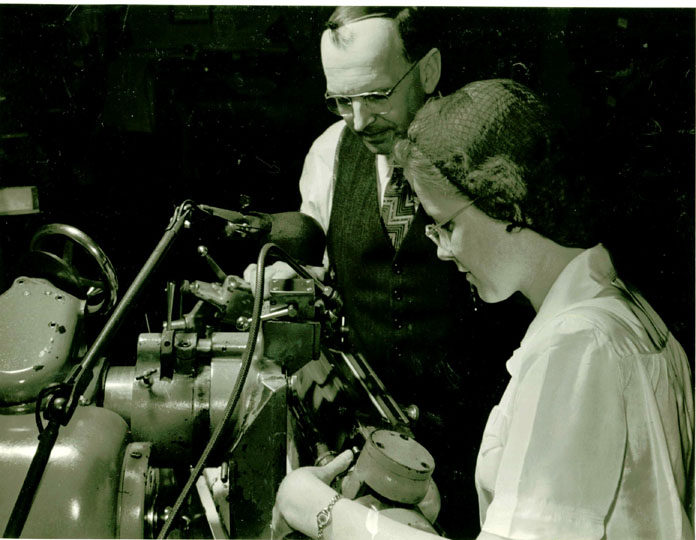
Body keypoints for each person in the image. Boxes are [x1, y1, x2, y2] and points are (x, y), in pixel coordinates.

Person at [274, 79, 695, 540]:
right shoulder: (625, 313)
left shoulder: (577, 348)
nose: (442, 250)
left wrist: (324, 513)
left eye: (446, 226)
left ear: (505, 202)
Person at [245, 9, 528, 536]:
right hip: (377, 455)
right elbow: (314, 278)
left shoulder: (485, 150)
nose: (358, 120)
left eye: (375, 95)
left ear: (428, 70)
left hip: (487, 448)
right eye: (341, 100)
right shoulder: (329, 153)